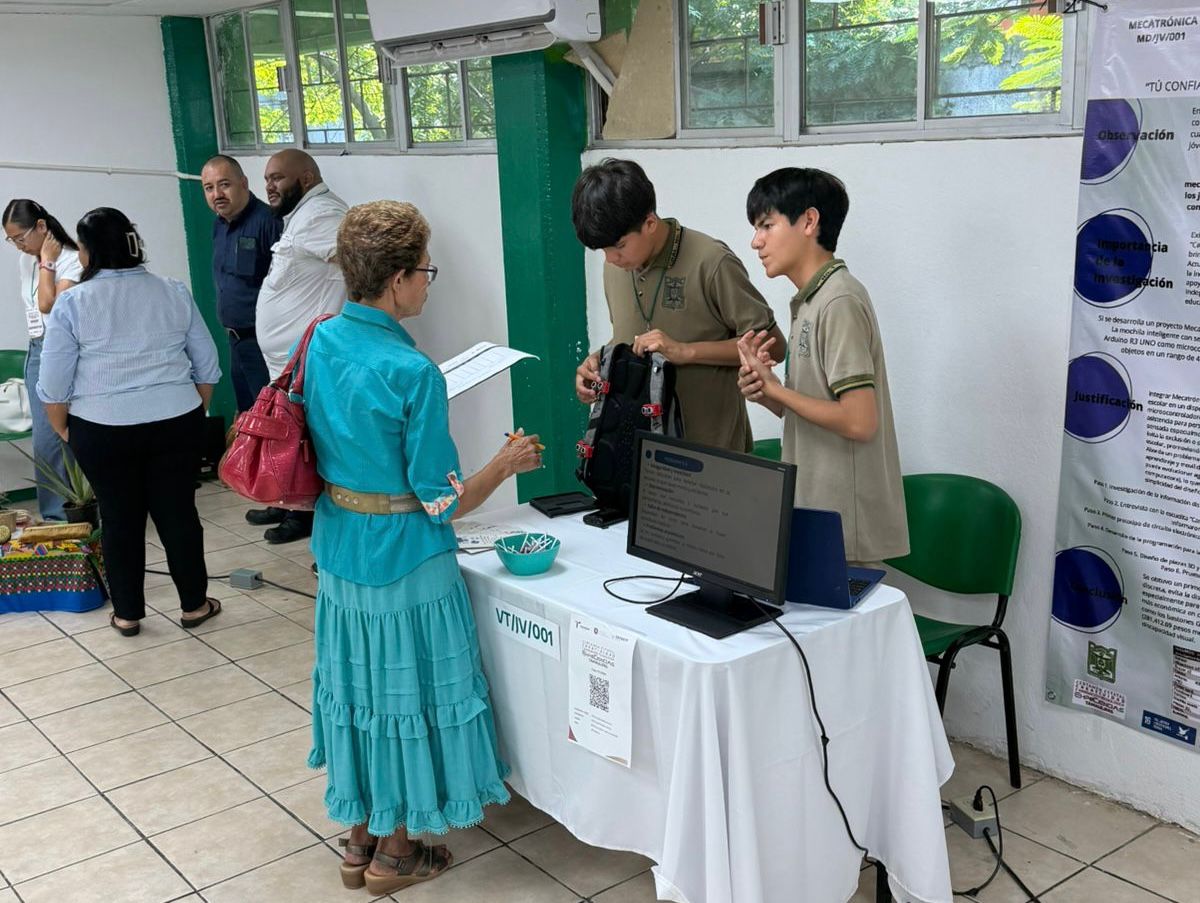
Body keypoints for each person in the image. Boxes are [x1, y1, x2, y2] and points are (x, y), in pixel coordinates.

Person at [301, 200, 540, 894]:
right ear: (399, 279)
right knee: (404, 698)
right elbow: (444, 499)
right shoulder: (415, 374)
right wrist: (505, 463)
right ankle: (399, 852)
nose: (429, 285)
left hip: (341, 546)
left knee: (356, 688)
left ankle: (360, 838)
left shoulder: (321, 341)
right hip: (407, 558)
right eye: (426, 272)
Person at [36, 207, 223, 636]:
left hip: (100, 430)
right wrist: (190, 410)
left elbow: (53, 385)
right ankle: (194, 605)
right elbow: (207, 366)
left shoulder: (72, 304)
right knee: (179, 515)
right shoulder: (173, 291)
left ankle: (127, 614)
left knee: (119, 519)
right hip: (176, 423)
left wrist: (68, 430)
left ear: (85, 252)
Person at [738, 168, 908, 566]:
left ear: (809, 221)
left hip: (844, 528)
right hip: (816, 513)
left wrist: (777, 389)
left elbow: (860, 422)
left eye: (767, 225)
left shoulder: (839, 301)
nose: (755, 241)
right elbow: (815, 411)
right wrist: (766, 392)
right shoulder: (810, 302)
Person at [570, 158, 785, 453]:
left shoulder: (711, 261)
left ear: (649, 223)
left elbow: (774, 347)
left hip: (710, 455)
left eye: (618, 247)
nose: (610, 260)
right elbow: (630, 337)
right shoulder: (616, 268)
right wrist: (600, 363)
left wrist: (686, 351)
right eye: (602, 251)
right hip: (637, 454)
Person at [247, 148, 347, 545]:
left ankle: (317, 530)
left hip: (310, 366)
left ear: (305, 178)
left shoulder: (323, 214)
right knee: (293, 446)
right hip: (289, 366)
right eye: (267, 179)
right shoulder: (303, 214)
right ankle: (291, 507)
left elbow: (359, 264)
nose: (268, 186)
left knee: (316, 451)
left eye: (277, 178)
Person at [3, 199, 83, 521]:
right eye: (12, 241)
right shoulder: (26, 261)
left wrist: (48, 263)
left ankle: (87, 510)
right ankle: (55, 519)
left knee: (74, 435)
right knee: (45, 440)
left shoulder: (72, 259)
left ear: (40, 227)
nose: (19, 246)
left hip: (65, 351)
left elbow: (50, 306)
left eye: (21, 237)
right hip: (37, 349)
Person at [201, 154, 281, 413]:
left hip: (264, 344)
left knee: (270, 418)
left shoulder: (269, 222)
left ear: (244, 183)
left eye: (224, 184)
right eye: (209, 188)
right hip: (236, 342)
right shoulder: (219, 226)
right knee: (247, 417)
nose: (217, 194)